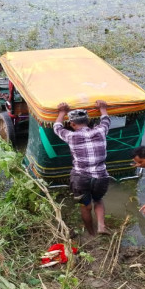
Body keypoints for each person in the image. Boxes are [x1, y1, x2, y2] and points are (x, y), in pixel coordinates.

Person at [54, 100, 111, 236]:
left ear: (72, 124)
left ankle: (91, 234)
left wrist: (62, 112)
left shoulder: (71, 136)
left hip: (81, 178)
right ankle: (101, 226)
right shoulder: (101, 131)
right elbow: (106, 120)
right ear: (88, 121)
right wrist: (102, 108)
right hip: (101, 177)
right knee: (98, 200)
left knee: (85, 206)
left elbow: (57, 127)